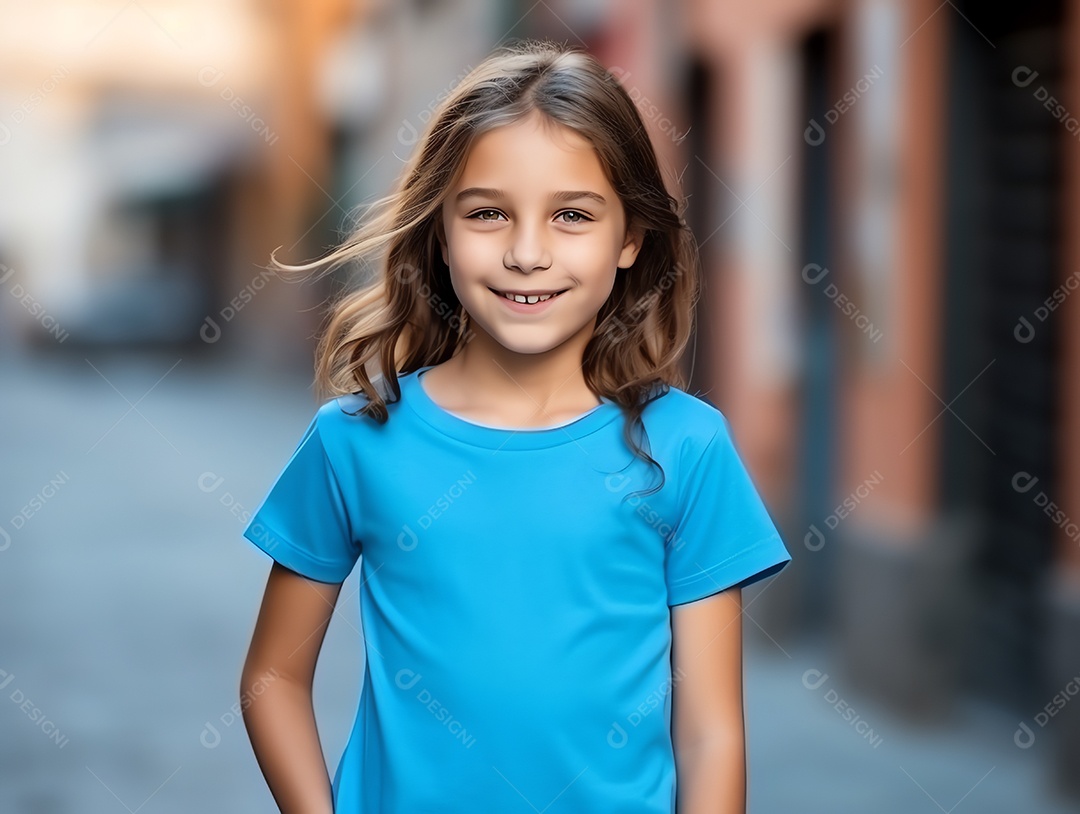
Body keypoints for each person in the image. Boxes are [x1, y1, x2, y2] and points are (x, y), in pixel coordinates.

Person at [239, 37, 792, 814]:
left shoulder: (688, 448)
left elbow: (711, 734)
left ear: (630, 239)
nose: (527, 254)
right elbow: (272, 679)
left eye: (572, 215)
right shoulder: (353, 440)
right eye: (488, 213)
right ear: (440, 230)